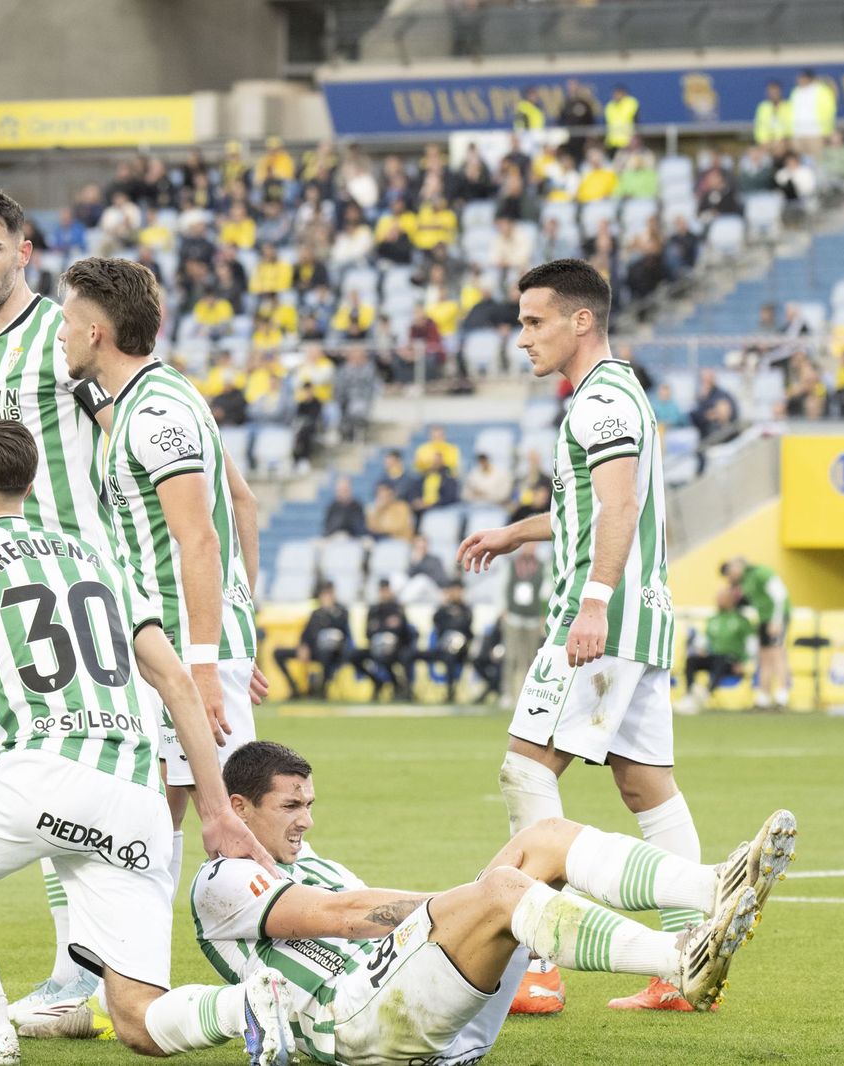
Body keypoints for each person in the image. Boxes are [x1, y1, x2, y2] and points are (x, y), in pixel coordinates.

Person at [0, 419, 294, 1065]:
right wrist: (217, 813)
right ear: (28, 484)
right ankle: (247, 1004)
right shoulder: (96, 555)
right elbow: (178, 685)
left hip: (43, 773)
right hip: (134, 798)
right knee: (138, 1022)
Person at [191, 742, 797, 1065]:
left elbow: (372, 926)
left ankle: (711, 888)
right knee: (506, 891)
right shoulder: (222, 879)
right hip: (355, 1032)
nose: (308, 820)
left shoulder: (311, 861)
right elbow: (338, 916)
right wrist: (475, 900)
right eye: (290, 808)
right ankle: (678, 958)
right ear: (239, 808)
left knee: (545, 839)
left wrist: (471, 905)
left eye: (310, 805)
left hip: (417, 1010)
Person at [457, 259, 703, 1014]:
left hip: (600, 619)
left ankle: (539, 963)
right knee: (644, 782)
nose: (521, 336)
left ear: (580, 321)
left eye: (534, 321)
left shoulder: (600, 404)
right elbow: (589, 512)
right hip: (640, 617)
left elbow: (620, 509)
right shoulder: (612, 398)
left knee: (526, 770)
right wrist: (516, 532)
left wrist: (591, 605)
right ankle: (693, 957)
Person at [0, 188, 114, 1029]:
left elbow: (119, 422)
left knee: (72, 776)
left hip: (80, 582)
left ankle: (81, 974)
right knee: (41, 770)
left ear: (25, 248)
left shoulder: (59, 336)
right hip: (12, 592)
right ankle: (79, 971)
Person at [57, 256, 268, 908]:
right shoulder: (168, 397)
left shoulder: (154, 416)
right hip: (190, 641)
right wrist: (239, 626)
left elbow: (200, 536)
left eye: (67, 321)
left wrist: (206, 660)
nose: (59, 334)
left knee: (195, 821)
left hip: (183, 648)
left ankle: (311, 955)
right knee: (167, 816)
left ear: (97, 333)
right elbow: (245, 500)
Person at [721, 557, 792, 710]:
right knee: (764, 657)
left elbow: (780, 595)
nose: (729, 576)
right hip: (764, 618)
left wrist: (776, 620)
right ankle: (763, 698)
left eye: (730, 571)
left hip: (776, 617)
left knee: (777, 654)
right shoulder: (745, 581)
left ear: (738, 566)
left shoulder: (761, 573)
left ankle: (782, 696)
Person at [679, 587, 755, 713]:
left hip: (732, 661)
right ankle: (690, 694)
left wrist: (745, 663)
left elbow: (751, 646)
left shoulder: (742, 621)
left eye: (721, 597)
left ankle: (706, 693)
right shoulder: (713, 619)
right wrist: (701, 650)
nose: (718, 600)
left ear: (731, 600)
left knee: (722, 659)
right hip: (713, 657)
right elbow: (703, 640)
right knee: (691, 660)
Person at [273, 582, 352, 699]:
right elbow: (306, 634)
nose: (326, 598)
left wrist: (329, 612)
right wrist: (303, 646)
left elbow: (344, 635)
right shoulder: (316, 614)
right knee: (278, 653)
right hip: (313, 650)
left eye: (328, 594)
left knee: (327, 655)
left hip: (333, 652)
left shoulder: (341, 612)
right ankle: (294, 688)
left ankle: (321, 690)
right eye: (324, 594)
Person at [351, 580, 416, 701]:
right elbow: (368, 632)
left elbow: (405, 631)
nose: (384, 593)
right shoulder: (374, 610)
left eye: (386, 590)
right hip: (377, 647)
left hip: (396, 648)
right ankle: (376, 681)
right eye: (382, 590)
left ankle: (399, 686)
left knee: (390, 657)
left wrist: (383, 629)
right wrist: (385, 628)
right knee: (354, 656)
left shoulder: (397, 608)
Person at [416, 581, 476, 702]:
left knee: (450, 658)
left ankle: (450, 693)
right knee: (409, 654)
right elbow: (436, 621)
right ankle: (405, 690)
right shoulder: (443, 609)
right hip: (442, 649)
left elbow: (464, 626)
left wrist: (451, 620)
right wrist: (445, 606)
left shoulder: (466, 609)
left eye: (457, 590)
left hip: (459, 652)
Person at [753, 80, 791, 151]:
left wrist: (781, 140)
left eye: (775, 92)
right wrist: (764, 141)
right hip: (766, 142)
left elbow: (790, 127)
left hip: (784, 141)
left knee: (780, 149)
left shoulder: (788, 107)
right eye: (771, 92)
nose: (773, 94)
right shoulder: (763, 107)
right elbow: (760, 127)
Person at [603, 84, 639, 152]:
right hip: (612, 141)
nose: (616, 96)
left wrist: (634, 137)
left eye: (618, 93)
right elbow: (607, 123)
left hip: (627, 140)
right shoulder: (609, 106)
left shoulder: (631, 103)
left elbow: (636, 121)